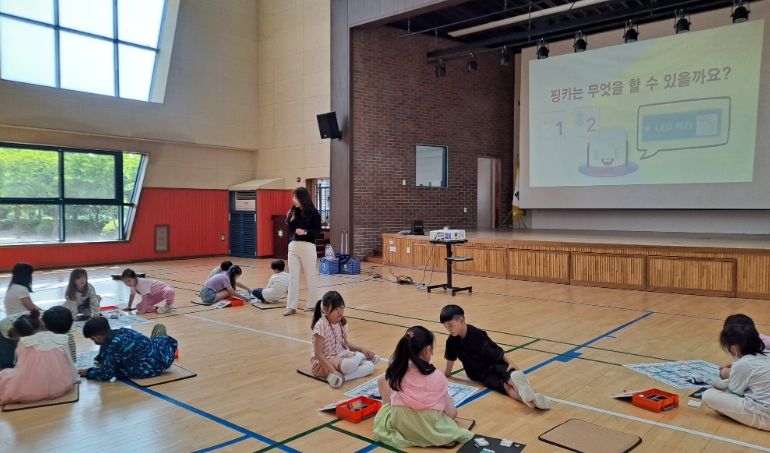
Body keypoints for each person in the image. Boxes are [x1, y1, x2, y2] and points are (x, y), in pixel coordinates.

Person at [373, 326, 474, 448]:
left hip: (401, 424)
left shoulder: (398, 369)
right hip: (429, 429)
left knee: (385, 393)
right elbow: (451, 413)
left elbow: (381, 380)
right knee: (453, 413)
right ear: (428, 350)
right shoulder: (437, 375)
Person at [440, 304, 550, 409]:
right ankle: (533, 402)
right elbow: (449, 365)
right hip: (480, 374)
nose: (448, 329)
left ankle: (530, 400)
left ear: (461, 320)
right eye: (445, 327)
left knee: (512, 379)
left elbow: (497, 351)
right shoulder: (451, 342)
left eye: (450, 325)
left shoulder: (478, 334)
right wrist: (443, 375)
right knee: (506, 388)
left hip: (494, 363)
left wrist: (511, 362)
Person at [703, 314, 769, 431]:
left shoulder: (742, 364)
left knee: (708, 395)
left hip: (765, 416)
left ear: (734, 349)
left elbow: (734, 393)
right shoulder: (767, 353)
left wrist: (718, 383)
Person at [0, 310, 78, 404]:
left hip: (31, 389)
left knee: (5, 375)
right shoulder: (60, 337)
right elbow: (69, 360)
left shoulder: (25, 341)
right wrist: (73, 376)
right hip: (61, 385)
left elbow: (20, 367)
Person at [310, 291, 377, 388]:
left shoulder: (341, 322)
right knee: (347, 366)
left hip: (340, 357)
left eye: (341, 307)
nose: (340, 312)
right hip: (323, 362)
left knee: (370, 367)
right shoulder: (320, 325)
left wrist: (362, 349)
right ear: (325, 309)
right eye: (336, 309)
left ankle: (345, 377)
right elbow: (318, 354)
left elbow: (346, 343)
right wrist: (333, 371)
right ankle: (360, 357)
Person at [80, 317, 178, 381]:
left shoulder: (111, 348)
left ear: (97, 336)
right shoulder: (124, 331)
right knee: (159, 327)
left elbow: (106, 374)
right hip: (164, 354)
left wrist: (88, 372)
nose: (94, 341)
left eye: (93, 338)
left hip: (150, 369)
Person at [285, 186, 322, 316]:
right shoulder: (294, 211)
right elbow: (289, 226)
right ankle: (291, 306)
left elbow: (317, 230)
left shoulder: (314, 212)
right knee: (293, 277)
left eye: (295, 197)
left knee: (310, 276)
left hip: (307, 246)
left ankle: (312, 304)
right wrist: (289, 217)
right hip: (293, 246)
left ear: (302, 198)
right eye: (293, 197)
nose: (293, 200)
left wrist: (305, 231)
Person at [718, 314, 770, 379]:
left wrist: (728, 371)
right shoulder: (752, 340)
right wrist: (735, 365)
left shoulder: (764, 344)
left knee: (725, 373)